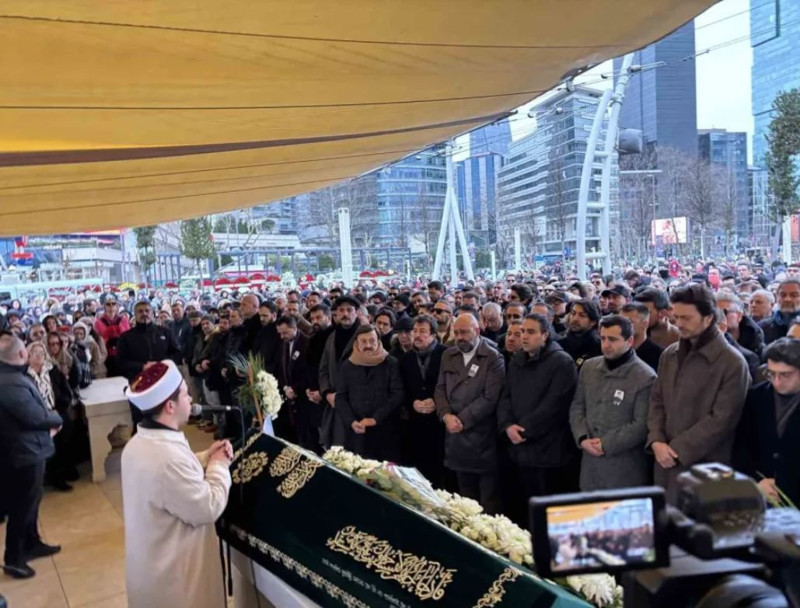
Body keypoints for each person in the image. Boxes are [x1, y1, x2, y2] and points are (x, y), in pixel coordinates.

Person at [121, 360, 232, 608]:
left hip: (151, 567)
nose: (191, 398)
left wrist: (204, 457)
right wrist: (218, 465)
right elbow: (208, 507)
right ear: (170, 406)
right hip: (176, 580)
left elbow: (174, 477)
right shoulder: (167, 461)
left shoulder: (138, 443)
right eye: (184, 394)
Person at [646, 284, 751, 503]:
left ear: (708, 318)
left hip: (706, 466)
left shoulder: (731, 363)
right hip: (664, 461)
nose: (679, 323)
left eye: (686, 318)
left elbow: (722, 419)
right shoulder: (670, 355)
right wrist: (656, 440)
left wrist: (675, 450)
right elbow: (656, 401)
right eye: (677, 317)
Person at [0, 333, 64, 579]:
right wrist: (56, 419)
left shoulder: (11, 377)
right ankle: (14, 558)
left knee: (31, 502)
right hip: (23, 452)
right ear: (20, 354)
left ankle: (31, 543)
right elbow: (34, 416)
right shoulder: (10, 382)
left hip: (28, 448)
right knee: (22, 507)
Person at [499, 313, 578, 505]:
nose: (524, 336)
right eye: (523, 331)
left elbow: (554, 406)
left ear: (545, 335)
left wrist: (524, 430)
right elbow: (505, 397)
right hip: (516, 447)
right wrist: (507, 425)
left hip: (547, 452)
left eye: (531, 332)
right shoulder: (518, 359)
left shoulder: (562, 362)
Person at [570, 316, 656, 491]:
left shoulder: (645, 376)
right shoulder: (589, 367)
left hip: (624, 467)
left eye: (613, 339)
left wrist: (606, 444)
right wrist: (582, 437)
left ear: (629, 341)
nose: (606, 345)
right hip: (589, 464)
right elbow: (577, 406)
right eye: (603, 338)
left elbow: (640, 424)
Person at [435, 314, 505, 514]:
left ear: (477, 331)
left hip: (481, 436)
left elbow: (490, 398)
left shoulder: (492, 357)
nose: (459, 337)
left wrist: (462, 420)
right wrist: (446, 415)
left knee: (488, 500)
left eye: (464, 332)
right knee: (465, 498)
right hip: (454, 435)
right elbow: (440, 389)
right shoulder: (448, 355)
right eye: (456, 332)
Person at [734, 338, 800, 506]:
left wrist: (785, 486)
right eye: (771, 373)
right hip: (760, 497)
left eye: (785, 375)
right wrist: (756, 481)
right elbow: (741, 447)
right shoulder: (756, 397)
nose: (777, 382)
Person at [336, 325, 404, 461]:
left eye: (372, 340)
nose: (368, 345)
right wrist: (352, 421)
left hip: (385, 431)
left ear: (378, 341)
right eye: (364, 341)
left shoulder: (390, 363)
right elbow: (341, 397)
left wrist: (375, 419)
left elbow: (397, 394)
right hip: (356, 431)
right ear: (356, 343)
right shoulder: (347, 366)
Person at [398, 315, 447, 486]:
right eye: (415, 331)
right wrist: (412, 403)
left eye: (423, 331)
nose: (417, 335)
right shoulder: (405, 359)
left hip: (439, 425)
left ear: (433, 335)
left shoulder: (446, 354)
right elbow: (400, 388)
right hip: (414, 424)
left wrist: (437, 402)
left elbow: (452, 387)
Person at [117, 301, 181, 429]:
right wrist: (142, 366)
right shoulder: (126, 337)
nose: (144, 314)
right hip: (138, 385)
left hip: (164, 384)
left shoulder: (165, 332)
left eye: (147, 311)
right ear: (134, 314)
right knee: (140, 421)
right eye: (140, 311)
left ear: (153, 313)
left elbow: (177, 354)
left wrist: (162, 366)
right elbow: (120, 363)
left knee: (166, 418)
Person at [319, 296, 361, 449]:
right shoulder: (332, 337)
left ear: (356, 312)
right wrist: (327, 393)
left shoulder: (366, 336)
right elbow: (323, 369)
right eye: (341, 310)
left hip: (358, 405)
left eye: (349, 310)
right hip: (334, 402)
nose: (345, 314)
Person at [276, 315, 318, 451]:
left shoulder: (307, 343)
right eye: (280, 333)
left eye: (285, 332)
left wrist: (294, 388)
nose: (282, 336)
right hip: (289, 395)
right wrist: (285, 387)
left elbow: (308, 372)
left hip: (304, 396)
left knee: (307, 435)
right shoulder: (283, 343)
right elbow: (281, 368)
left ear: (294, 328)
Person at [557, 299, 602, 370]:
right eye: (573, 313)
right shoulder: (561, 344)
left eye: (582, 315)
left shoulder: (598, 348)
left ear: (593, 322)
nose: (575, 318)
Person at [93, 295, 130, 377]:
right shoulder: (99, 321)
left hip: (121, 353)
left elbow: (128, 335)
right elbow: (97, 338)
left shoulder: (123, 319)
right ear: (104, 306)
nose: (111, 306)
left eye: (113, 304)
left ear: (117, 306)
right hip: (107, 354)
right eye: (108, 304)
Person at [620, 303, 663, 373]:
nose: (622, 327)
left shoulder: (659, 356)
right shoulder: (617, 351)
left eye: (629, 322)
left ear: (644, 324)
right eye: (620, 322)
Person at [760, 280, 800, 344]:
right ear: (777, 297)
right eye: (783, 295)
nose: (787, 299)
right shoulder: (763, 327)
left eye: (794, 295)